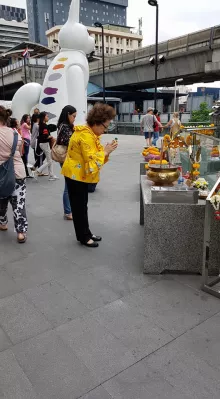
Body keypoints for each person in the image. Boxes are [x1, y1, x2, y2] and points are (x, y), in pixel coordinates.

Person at [62, 103, 118, 248]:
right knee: (79, 207)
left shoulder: (88, 132)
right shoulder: (86, 136)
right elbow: (91, 163)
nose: (105, 131)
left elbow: (93, 158)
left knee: (82, 205)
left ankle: (86, 232)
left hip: (77, 174)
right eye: (105, 127)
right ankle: (83, 237)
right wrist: (105, 152)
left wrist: (105, 151)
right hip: (76, 175)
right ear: (96, 123)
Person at [0, 106, 28, 243]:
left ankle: (3, 223)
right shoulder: (15, 133)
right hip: (17, 172)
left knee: (1, 201)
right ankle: (21, 233)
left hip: (1, 175)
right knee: (19, 203)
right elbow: (21, 151)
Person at [56, 105, 77, 220]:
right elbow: (70, 143)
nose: (74, 118)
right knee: (68, 186)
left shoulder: (63, 125)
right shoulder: (65, 127)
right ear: (68, 114)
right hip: (66, 158)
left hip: (66, 158)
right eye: (73, 116)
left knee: (69, 185)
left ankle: (69, 210)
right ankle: (68, 211)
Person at [36, 112, 58, 181]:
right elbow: (45, 136)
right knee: (50, 160)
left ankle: (51, 175)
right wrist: (50, 136)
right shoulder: (44, 125)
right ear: (44, 117)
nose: (48, 117)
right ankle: (38, 170)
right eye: (47, 116)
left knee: (50, 160)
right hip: (45, 144)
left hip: (43, 144)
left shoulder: (41, 125)